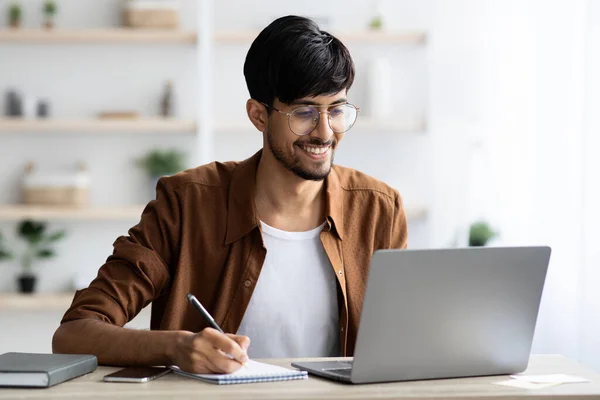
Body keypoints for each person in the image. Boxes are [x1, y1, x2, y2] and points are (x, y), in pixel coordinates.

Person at [52, 15, 408, 375]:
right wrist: (177, 346)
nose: (324, 131)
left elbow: (408, 341)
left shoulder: (379, 209)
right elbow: (73, 334)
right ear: (258, 116)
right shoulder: (185, 204)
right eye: (304, 112)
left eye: (336, 110)